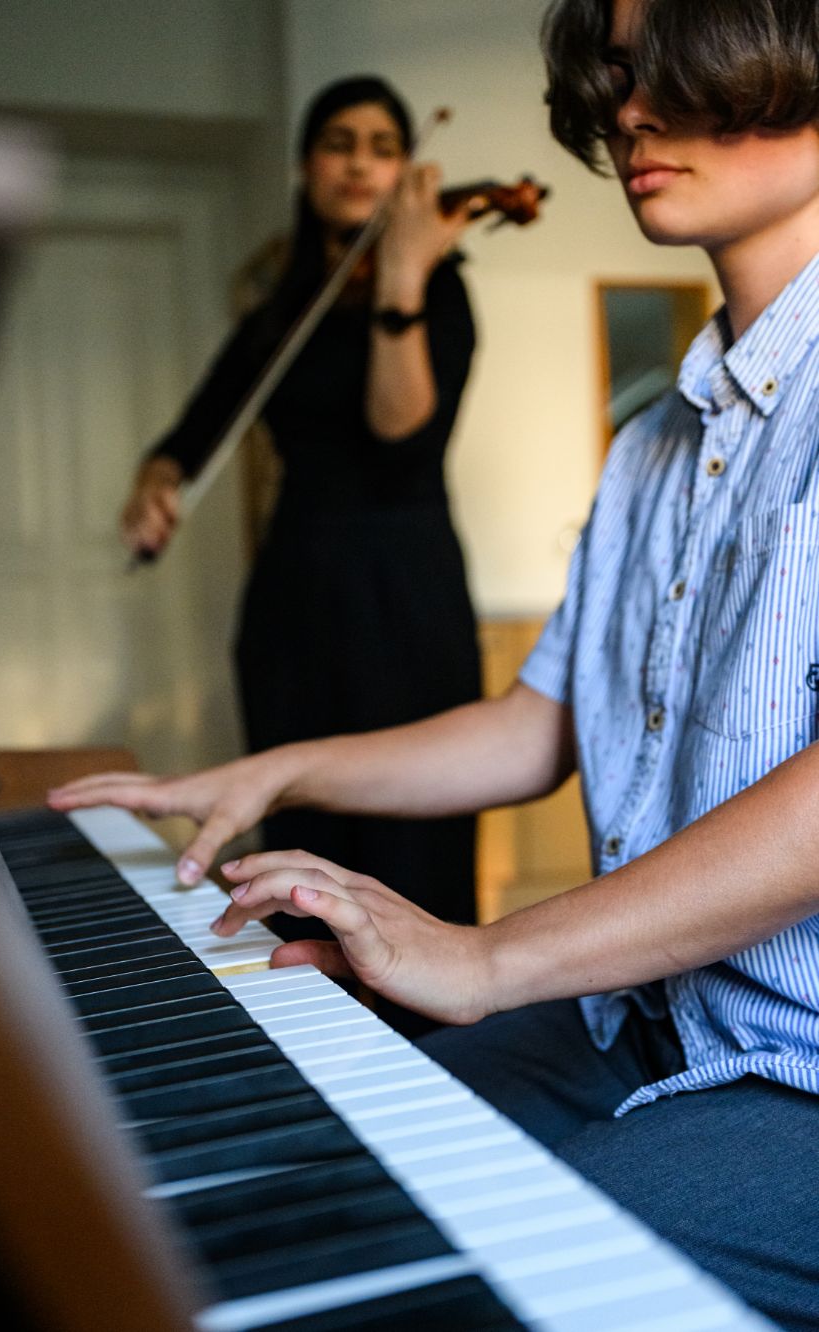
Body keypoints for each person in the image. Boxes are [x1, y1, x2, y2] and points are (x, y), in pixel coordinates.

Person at [50, 0, 819, 1326]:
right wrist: (273, 771)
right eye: (620, 70)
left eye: (685, 63)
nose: (634, 109)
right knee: (314, 1187)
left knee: (473, 1291)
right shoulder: (653, 443)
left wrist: (485, 957)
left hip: (798, 1072)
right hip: (637, 1015)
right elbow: (538, 722)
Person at [120, 76, 483, 945]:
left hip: (402, 590)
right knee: (300, 837)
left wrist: (401, 272)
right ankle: (311, 1014)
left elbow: (401, 440)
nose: (358, 164)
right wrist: (158, 478)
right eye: (338, 143)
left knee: (411, 845)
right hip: (294, 591)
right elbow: (197, 430)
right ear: (305, 166)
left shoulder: (439, 289)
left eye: (382, 148)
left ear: (406, 172)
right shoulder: (280, 308)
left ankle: (420, 1015)